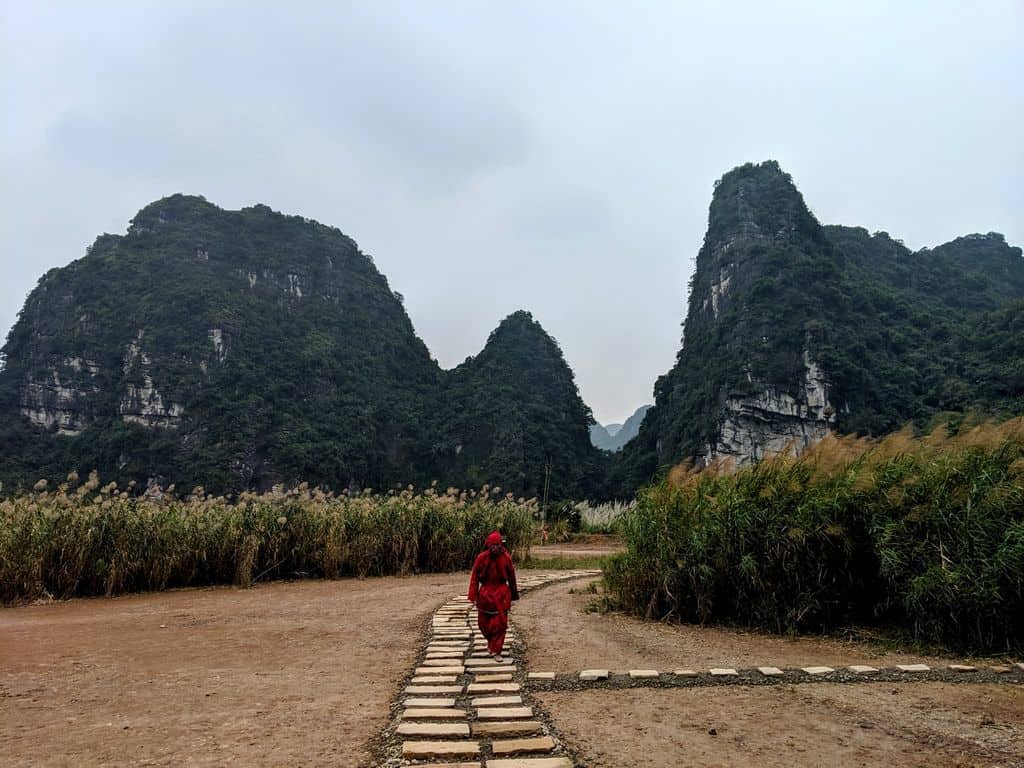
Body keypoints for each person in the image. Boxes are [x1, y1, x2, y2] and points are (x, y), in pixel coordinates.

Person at [467, 530, 519, 662]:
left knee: (500, 625)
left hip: (501, 595)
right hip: (485, 595)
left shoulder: (506, 558)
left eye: (497, 545)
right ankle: (491, 643)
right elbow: (474, 578)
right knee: (483, 624)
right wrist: (473, 596)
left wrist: (513, 595)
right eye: (492, 545)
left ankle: (497, 650)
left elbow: (512, 577)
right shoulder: (481, 558)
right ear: (488, 545)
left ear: (501, 545)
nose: (495, 548)